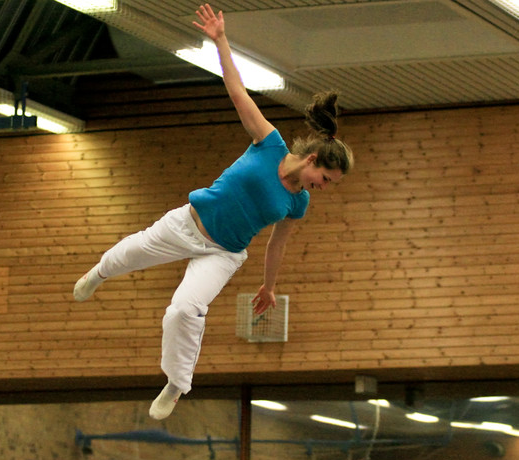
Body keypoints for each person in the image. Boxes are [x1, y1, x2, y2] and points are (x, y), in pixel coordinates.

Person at [73, 3, 354, 420]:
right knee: (127, 255)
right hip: (187, 223)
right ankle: (98, 274)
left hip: (223, 253)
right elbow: (238, 92)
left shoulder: (299, 201)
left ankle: (175, 384)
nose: (324, 188)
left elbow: (276, 245)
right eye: (326, 179)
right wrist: (220, 40)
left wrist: (269, 286)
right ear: (312, 159)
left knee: (184, 310)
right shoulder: (269, 143)